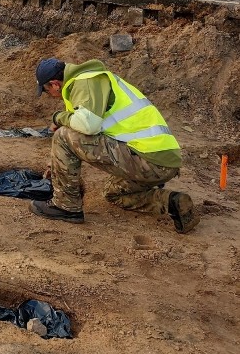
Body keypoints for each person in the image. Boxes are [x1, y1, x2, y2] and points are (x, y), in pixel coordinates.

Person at [32, 57, 199, 233]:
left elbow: (88, 126)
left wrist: (58, 117)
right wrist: (55, 168)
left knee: (63, 136)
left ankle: (66, 206)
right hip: (163, 162)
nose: (49, 95)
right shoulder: (90, 81)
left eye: (46, 90)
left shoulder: (86, 82)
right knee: (113, 193)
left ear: (54, 84)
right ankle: (173, 203)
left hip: (147, 160)